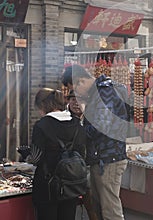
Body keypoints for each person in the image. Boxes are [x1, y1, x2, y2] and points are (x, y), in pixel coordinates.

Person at [61, 64, 128, 220]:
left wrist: (78, 132)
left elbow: (101, 126)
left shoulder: (105, 92)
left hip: (109, 158)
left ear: (81, 81)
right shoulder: (98, 93)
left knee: (110, 209)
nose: (76, 94)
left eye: (76, 89)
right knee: (99, 207)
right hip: (101, 157)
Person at [28, 88, 86, 220]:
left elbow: (36, 158)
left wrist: (26, 154)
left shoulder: (41, 125)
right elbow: (82, 154)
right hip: (71, 184)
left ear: (43, 105)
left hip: (48, 185)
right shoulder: (76, 123)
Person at [66, 90, 99, 220]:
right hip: (70, 168)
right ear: (68, 101)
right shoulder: (64, 119)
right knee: (69, 204)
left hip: (89, 164)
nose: (76, 103)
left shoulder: (92, 118)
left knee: (91, 203)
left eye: (80, 99)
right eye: (73, 99)